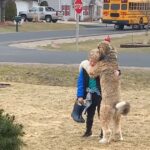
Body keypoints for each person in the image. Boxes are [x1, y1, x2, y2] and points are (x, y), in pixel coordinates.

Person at [76, 49, 102, 137]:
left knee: (101, 114)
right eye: (91, 60)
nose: (92, 63)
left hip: (101, 95)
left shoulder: (101, 69)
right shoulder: (84, 68)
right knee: (90, 114)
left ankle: (103, 133)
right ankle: (88, 131)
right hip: (89, 95)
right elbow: (80, 82)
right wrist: (80, 96)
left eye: (94, 61)